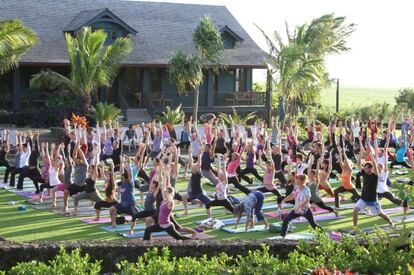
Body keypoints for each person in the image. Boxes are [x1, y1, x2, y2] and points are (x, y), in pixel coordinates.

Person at [143, 171, 192, 241]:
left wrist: (169, 192)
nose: (164, 192)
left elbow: (170, 197)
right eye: (164, 192)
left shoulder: (170, 202)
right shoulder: (164, 200)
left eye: (166, 192)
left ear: (169, 193)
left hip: (167, 226)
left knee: (179, 237)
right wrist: (165, 176)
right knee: (147, 230)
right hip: (160, 225)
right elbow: (162, 187)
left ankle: (193, 241)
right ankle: (146, 244)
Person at [353, 148, 394, 228]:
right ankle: (355, 228)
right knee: (355, 211)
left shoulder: (375, 175)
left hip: (372, 201)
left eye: (366, 168)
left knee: (380, 214)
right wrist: (361, 154)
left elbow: (375, 166)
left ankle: (390, 222)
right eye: (364, 168)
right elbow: (358, 164)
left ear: (371, 169)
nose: (364, 169)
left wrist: (372, 157)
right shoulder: (364, 173)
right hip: (363, 199)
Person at [182, 146, 212, 216]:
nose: (192, 168)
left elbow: (199, 162)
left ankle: (209, 217)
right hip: (192, 193)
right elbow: (191, 161)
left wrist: (199, 154)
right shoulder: (193, 172)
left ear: (197, 168)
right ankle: (186, 211)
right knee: (184, 196)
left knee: (208, 204)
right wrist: (189, 152)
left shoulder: (199, 173)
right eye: (192, 167)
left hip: (199, 193)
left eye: (193, 167)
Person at [334, 144, 360, 208]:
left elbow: (345, 159)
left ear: (349, 164)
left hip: (350, 187)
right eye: (345, 162)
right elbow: (340, 161)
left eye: (346, 162)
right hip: (344, 187)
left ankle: (366, 205)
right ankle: (337, 206)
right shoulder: (343, 169)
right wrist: (340, 152)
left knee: (360, 198)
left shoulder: (349, 170)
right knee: (336, 191)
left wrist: (344, 152)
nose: (344, 163)